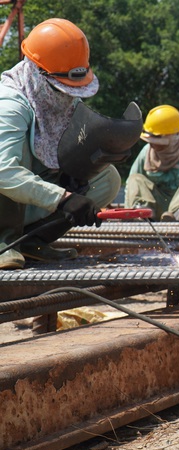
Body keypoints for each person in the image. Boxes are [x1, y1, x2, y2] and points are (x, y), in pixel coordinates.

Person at [0, 18, 142, 270]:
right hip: (5, 180)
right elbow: (4, 173)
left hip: (26, 198)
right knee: (11, 158)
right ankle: (4, 244)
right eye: (62, 88)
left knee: (106, 178)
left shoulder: (58, 99)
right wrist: (63, 198)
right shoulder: (9, 105)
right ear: (38, 73)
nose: (68, 95)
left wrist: (74, 175)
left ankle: (31, 241)